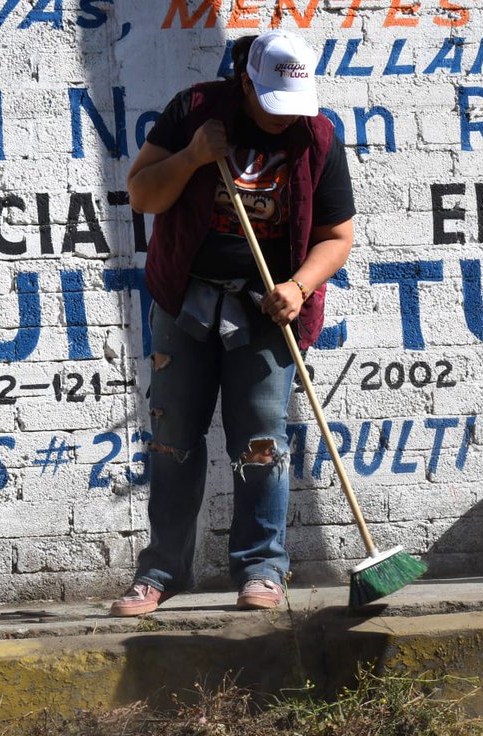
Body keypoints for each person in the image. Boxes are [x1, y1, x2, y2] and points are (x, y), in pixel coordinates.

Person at [110, 31, 355, 617]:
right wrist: (193, 154)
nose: (281, 121)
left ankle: (262, 570)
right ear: (245, 82)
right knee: (173, 439)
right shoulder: (196, 110)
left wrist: (300, 287)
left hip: (268, 311)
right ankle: (164, 572)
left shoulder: (317, 136)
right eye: (270, 104)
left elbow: (337, 237)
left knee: (261, 443)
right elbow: (142, 194)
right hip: (185, 301)